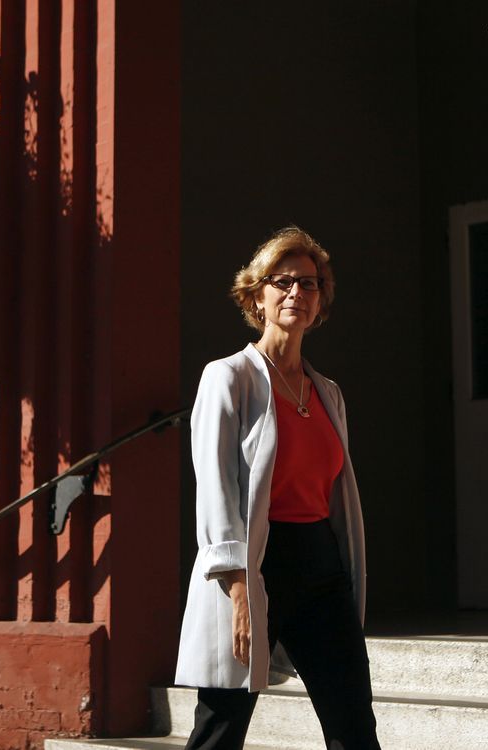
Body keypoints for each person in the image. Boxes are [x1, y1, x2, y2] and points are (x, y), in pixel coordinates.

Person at [175, 226, 380, 749]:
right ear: (256, 296)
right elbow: (216, 488)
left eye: (309, 284)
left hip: (321, 566)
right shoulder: (228, 378)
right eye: (282, 281)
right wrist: (239, 585)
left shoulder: (328, 392)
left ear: (320, 300)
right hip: (255, 563)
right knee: (221, 728)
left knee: (354, 724)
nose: (296, 293)